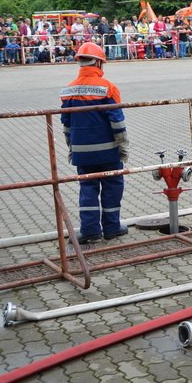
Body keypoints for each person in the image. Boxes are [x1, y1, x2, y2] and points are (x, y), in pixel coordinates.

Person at [60, 42, 130, 243]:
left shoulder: (68, 90)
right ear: (99, 63)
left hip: (82, 153)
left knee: (87, 188)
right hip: (108, 151)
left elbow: (66, 124)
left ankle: (90, 231)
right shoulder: (108, 88)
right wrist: (123, 147)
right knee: (112, 187)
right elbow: (117, 121)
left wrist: (72, 148)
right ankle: (111, 228)